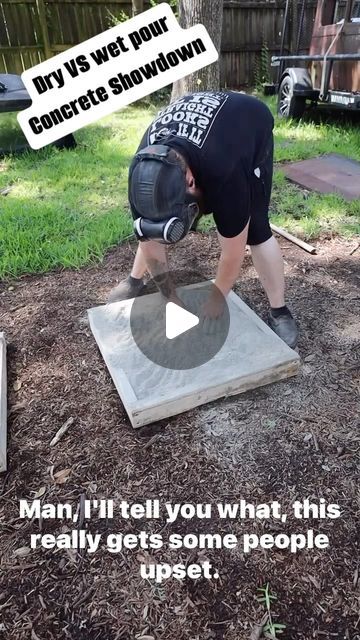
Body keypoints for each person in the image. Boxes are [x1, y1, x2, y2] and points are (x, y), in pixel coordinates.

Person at [108, 90, 298, 349]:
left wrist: (217, 298)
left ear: (190, 181)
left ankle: (279, 310)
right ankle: (134, 280)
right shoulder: (142, 173)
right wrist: (169, 298)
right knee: (153, 223)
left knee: (256, 228)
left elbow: (233, 251)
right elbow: (149, 239)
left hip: (247, 121)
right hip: (204, 132)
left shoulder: (225, 170)